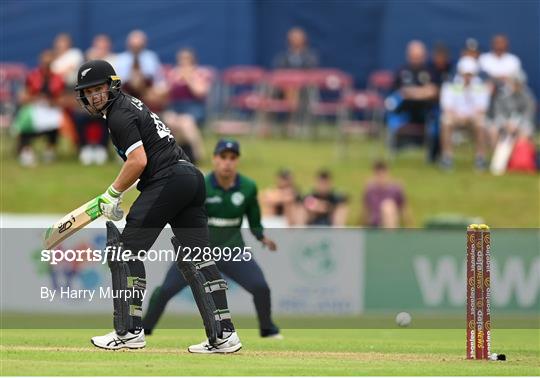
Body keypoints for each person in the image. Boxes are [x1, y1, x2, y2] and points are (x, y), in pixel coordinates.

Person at [73, 60, 241, 353]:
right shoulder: (130, 105)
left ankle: (128, 333)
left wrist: (112, 194)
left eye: (99, 89)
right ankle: (225, 336)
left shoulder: (118, 114)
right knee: (197, 258)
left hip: (168, 179)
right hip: (190, 177)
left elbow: (139, 161)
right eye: (88, 92)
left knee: (124, 251)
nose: (95, 96)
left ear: (111, 86)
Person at [143, 139, 282, 339]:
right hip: (199, 251)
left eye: (232, 158)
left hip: (232, 251)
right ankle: (145, 328)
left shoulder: (249, 187)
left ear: (237, 161)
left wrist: (262, 236)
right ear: (214, 159)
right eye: (223, 157)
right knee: (165, 290)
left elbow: (254, 220)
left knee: (260, 287)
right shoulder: (199, 184)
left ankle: (268, 328)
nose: (227, 162)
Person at [13, 50, 65, 166]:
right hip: (33, 108)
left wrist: (52, 102)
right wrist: (35, 99)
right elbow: (23, 96)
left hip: (51, 110)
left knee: (56, 122)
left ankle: (50, 149)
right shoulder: (32, 76)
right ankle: (26, 150)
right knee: (24, 120)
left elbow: (62, 98)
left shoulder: (58, 78)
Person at [161, 48, 213, 163]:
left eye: (186, 59)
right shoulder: (173, 73)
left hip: (193, 107)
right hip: (176, 106)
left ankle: (197, 153)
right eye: (181, 59)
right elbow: (165, 94)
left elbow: (200, 93)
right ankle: (177, 153)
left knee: (186, 122)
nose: (183, 62)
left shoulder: (200, 73)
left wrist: (189, 78)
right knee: (170, 120)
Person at [439, 57, 490, 170]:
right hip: (455, 117)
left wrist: (469, 116)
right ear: (460, 72)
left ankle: (480, 158)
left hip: (473, 118)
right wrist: (458, 116)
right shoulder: (450, 84)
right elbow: (447, 107)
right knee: (446, 120)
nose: (467, 77)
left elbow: (482, 108)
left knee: (481, 122)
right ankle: (447, 158)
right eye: (465, 74)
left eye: (470, 74)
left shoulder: (481, 86)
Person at [386, 40, 438, 149]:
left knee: (436, 118)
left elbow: (433, 91)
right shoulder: (402, 71)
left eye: (418, 56)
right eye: (413, 56)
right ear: (408, 55)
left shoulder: (430, 71)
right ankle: (394, 144)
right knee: (392, 106)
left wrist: (412, 92)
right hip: (405, 110)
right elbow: (400, 92)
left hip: (425, 111)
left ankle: (433, 151)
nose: (416, 59)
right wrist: (422, 91)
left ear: (424, 56)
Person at [362, 160, 409, 228]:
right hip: (375, 225)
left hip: (390, 222)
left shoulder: (396, 189)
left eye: (383, 174)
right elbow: (365, 211)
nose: (381, 178)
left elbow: (405, 210)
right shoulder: (370, 189)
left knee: (388, 206)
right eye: (378, 174)